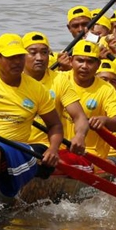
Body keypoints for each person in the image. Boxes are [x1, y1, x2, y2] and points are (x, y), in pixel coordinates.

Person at [0, 33, 63, 196]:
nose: (17, 62)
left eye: (20, 56)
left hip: (14, 149)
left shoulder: (36, 89)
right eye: (11, 57)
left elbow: (55, 125)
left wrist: (53, 149)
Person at [22, 31, 88, 160]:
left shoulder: (59, 80)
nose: (40, 58)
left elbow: (79, 116)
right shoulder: (12, 78)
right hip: (13, 141)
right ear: (21, 56)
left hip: (44, 146)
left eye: (44, 52)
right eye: (33, 52)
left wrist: (80, 135)